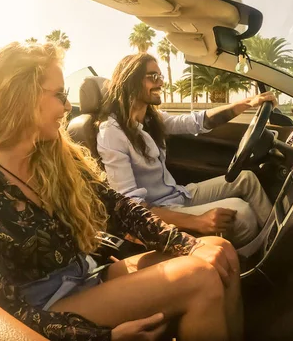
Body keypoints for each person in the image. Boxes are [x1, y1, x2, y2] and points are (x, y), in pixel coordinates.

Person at [0, 41, 242, 341]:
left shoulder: (56, 155)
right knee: (198, 278)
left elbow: (120, 208)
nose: (66, 106)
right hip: (44, 310)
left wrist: (187, 244)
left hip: (86, 276)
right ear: (21, 97)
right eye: (59, 95)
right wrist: (100, 338)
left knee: (219, 250)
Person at [97, 53, 274, 248]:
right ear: (130, 81)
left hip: (179, 194)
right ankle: (249, 259)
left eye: (161, 77)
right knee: (242, 213)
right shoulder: (111, 134)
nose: (160, 83)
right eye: (153, 77)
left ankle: (275, 240)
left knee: (247, 179)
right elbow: (132, 207)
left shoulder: (151, 119)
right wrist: (197, 221)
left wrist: (247, 103)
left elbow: (196, 122)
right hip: (161, 208)